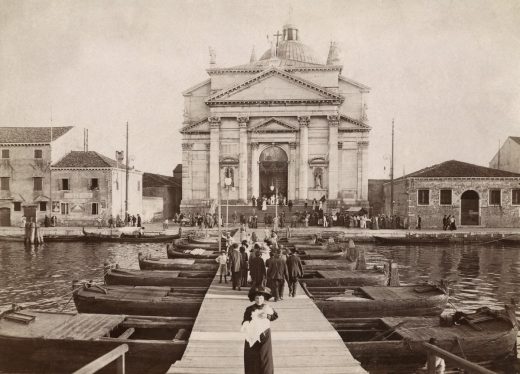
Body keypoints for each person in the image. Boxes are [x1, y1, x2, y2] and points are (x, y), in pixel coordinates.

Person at [241, 286, 278, 374]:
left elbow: (275, 316)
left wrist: (267, 316)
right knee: (252, 356)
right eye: (257, 298)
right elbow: (245, 320)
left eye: (261, 298)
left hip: (265, 335)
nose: (259, 300)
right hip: (252, 335)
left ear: (264, 298)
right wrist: (247, 324)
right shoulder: (249, 309)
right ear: (254, 299)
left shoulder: (267, 307)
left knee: (264, 356)